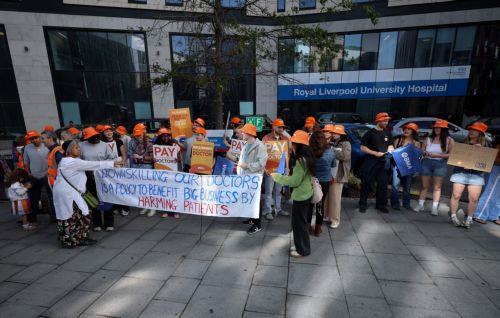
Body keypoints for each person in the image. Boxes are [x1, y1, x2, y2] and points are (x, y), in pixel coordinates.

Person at [53, 140, 122, 248]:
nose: (79, 149)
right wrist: (112, 163)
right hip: (69, 194)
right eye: (76, 148)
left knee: (70, 215)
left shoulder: (65, 161)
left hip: (65, 193)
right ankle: (76, 239)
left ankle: (71, 239)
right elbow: (92, 164)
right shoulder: (73, 161)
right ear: (69, 151)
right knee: (77, 215)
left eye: (78, 147)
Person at [272, 130, 315, 258]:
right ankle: (300, 245)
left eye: (293, 144)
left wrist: (277, 177)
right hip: (306, 194)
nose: (291, 146)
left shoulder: (300, 162)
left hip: (301, 197)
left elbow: (294, 181)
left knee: (298, 224)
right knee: (301, 223)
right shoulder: (308, 158)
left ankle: (302, 250)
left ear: (298, 145)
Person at [449, 122, 489, 228]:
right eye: (470, 129)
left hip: (476, 175)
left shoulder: (486, 145)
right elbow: (455, 158)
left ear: (480, 133)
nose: (471, 131)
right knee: (456, 195)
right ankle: (453, 216)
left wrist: (482, 149)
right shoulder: (463, 142)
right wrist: (462, 163)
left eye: (474, 130)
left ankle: (469, 219)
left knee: (474, 198)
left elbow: (487, 162)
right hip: (460, 172)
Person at [414, 119, 454, 215]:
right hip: (426, 162)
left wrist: (437, 156)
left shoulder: (449, 140)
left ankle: (434, 207)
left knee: (437, 187)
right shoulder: (428, 139)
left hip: (440, 163)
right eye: (435, 127)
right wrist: (425, 152)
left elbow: (451, 155)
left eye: (439, 127)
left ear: (444, 129)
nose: (436, 129)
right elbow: (421, 151)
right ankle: (420, 204)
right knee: (424, 186)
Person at [80, 127, 115, 231]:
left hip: (103, 176)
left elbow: (111, 157)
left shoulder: (104, 145)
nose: (95, 138)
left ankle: (109, 223)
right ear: (87, 138)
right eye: (92, 137)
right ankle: (97, 223)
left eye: (96, 136)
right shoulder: (81, 146)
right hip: (89, 177)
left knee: (107, 198)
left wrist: (104, 166)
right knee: (93, 200)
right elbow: (79, 160)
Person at [359, 112, 394, 213]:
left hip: (383, 162)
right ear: (378, 121)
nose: (386, 122)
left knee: (383, 185)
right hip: (370, 162)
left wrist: (390, 150)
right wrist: (375, 153)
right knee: (366, 183)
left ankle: (381, 205)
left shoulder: (388, 133)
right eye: (384, 120)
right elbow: (362, 148)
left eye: (387, 120)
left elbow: (391, 145)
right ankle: (362, 204)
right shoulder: (370, 133)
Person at [237, 123, 268, 234]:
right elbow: (242, 160)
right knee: (250, 200)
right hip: (246, 178)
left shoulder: (260, 146)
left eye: (244, 132)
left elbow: (261, 163)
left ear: (249, 134)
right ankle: (252, 219)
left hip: (254, 179)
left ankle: (257, 224)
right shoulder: (246, 145)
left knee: (255, 201)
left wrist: (248, 166)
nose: (242, 133)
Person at [262, 118, 290, 221]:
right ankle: (268, 210)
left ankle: (278, 209)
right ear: (274, 127)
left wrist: (287, 168)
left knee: (278, 191)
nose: (282, 128)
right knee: (269, 191)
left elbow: (287, 154)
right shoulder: (266, 138)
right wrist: (265, 168)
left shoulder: (286, 139)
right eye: (279, 127)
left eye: (283, 127)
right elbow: (262, 155)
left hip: (281, 169)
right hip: (270, 169)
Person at [324, 124, 351, 229]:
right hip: (329, 172)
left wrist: (332, 151)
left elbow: (345, 156)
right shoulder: (332, 142)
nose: (335, 134)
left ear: (341, 134)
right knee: (326, 196)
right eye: (334, 132)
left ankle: (335, 220)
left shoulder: (346, 143)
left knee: (335, 198)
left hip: (338, 174)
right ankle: (326, 215)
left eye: (337, 133)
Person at [308, 130, 334, 236]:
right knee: (320, 204)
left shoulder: (309, 151)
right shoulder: (330, 151)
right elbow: (333, 164)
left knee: (309, 205)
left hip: (311, 180)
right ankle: (318, 228)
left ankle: (307, 226)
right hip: (325, 181)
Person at [391, 123, 421, 211]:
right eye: (405, 129)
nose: (406, 130)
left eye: (409, 129)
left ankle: (406, 204)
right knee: (395, 185)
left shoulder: (416, 143)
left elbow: (417, 157)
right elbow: (393, 152)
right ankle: (394, 203)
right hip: (397, 166)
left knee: (407, 187)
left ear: (413, 132)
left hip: (409, 167)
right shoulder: (399, 140)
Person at [155, 127, 182, 218]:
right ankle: (166, 210)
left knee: (174, 191)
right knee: (164, 191)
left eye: (167, 136)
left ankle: (175, 211)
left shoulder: (174, 145)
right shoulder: (157, 146)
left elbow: (179, 159)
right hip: (162, 172)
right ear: (160, 137)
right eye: (163, 136)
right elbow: (155, 159)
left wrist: (176, 159)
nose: (166, 138)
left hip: (173, 172)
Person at [23, 130, 49, 224]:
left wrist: (50, 172)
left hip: (46, 175)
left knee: (50, 196)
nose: (34, 140)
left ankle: (53, 217)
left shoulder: (46, 146)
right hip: (33, 176)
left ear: (39, 137)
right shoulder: (27, 147)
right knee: (33, 198)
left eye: (35, 138)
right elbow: (26, 162)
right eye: (32, 139)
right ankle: (33, 218)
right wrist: (28, 172)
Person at [102, 125, 129, 216]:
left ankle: (125, 207)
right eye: (106, 131)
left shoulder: (118, 141)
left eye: (110, 131)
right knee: (112, 187)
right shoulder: (102, 143)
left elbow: (124, 153)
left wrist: (123, 162)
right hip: (108, 165)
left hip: (119, 163)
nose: (109, 133)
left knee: (121, 186)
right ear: (103, 133)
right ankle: (116, 206)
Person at [128, 124, 155, 216]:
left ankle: (152, 207)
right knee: (140, 188)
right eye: (136, 135)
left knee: (149, 188)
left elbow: (153, 158)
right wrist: (133, 156)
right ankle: (145, 206)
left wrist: (141, 157)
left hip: (147, 166)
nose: (138, 137)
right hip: (136, 167)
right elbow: (129, 153)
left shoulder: (149, 142)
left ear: (144, 133)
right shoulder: (131, 142)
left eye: (139, 135)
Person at [473, 136, 500, 225]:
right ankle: (480, 214)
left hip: (496, 167)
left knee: (497, 194)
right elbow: (494, 157)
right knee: (491, 192)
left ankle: (494, 215)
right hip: (497, 168)